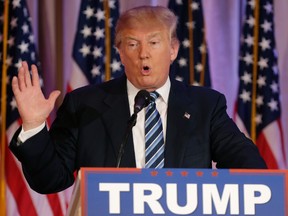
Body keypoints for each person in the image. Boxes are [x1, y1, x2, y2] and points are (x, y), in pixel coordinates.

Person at [9, 5, 267, 194]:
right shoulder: (84, 105)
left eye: (154, 42)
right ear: (120, 52)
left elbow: (249, 168)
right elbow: (49, 180)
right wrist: (33, 126)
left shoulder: (205, 105)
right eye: (132, 44)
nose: (144, 54)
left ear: (173, 49)